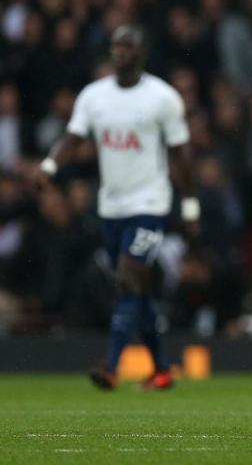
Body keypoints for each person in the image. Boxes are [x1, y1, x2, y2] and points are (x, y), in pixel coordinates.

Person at [36, 26, 199, 391]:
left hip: (150, 204)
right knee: (135, 288)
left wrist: (189, 206)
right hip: (111, 207)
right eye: (116, 46)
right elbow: (73, 138)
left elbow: (181, 155)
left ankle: (111, 365)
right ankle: (160, 368)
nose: (121, 51)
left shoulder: (163, 98)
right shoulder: (94, 97)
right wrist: (49, 167)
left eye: (129, 45)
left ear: (143, 53)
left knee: (128, 275)